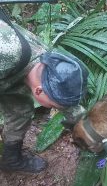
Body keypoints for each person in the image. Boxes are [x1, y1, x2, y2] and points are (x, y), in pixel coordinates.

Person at [0, 9, 88, 173]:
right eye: (54, 106)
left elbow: (66, 102)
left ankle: (11, 160)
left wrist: (90, 128)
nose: (57, 108)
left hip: (9, 76)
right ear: (39, 92)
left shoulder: (49, 61)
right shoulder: (7, 53)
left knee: (20, 112)